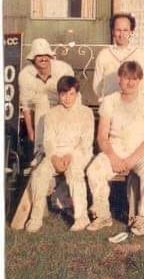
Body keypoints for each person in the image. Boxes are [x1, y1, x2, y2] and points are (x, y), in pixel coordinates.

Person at [86, 61, 144, 235]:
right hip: (116, 149)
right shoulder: (110, 101)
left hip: (141, 149)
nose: (130, 82)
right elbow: (102, 137)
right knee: (94, 170)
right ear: (119, 79)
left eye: (134, 79)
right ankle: (103, 215)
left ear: (140, 80)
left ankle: (142, 216)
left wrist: (133, 158)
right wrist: (113, 157)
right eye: (126, 78)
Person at [25, 76, 94, 233]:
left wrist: (70, 157)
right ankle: (35, 218)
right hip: (55, 154)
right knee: (39, 174)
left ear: (76, 94)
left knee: (75, 173)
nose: (67, 98)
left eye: (71, 94)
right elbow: (48, 141)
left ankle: (81, 217)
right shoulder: (51, 114)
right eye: (63, 94)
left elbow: (86, 142)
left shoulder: (86, 113)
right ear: (58, 94)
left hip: (78, 153)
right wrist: (54, 157)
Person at [19, 38, 74, 155]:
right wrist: (31, 133)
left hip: (65, 103)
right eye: (39, 55)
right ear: (32, 58)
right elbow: (26, 106)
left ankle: (66, 151)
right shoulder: (25, 75)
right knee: (42, 101)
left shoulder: (64, 69)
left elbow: (71, 96)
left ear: (51, 56)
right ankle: (40, 151)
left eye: (46, 55)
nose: (43, 58)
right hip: (41, 109)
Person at [93, 13, 144, 102]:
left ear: (131, 32)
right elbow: (97, 85)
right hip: (111, 105)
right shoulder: (104, 54)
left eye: (125, 30)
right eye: (118, 30)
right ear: (112, 31)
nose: (121, 34)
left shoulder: (140, 55)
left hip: (134, 105)